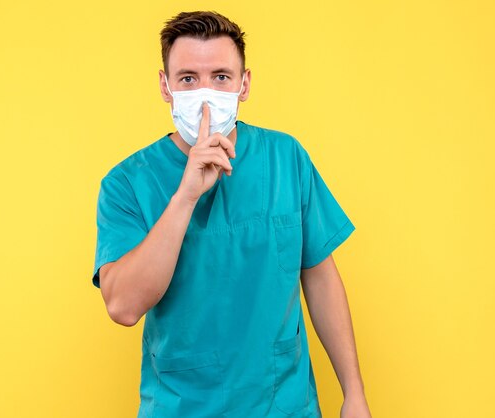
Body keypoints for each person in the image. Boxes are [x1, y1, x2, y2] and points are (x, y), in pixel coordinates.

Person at [91, 10, 372, 418]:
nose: (205, 92)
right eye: (188, 78)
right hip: (183, 407)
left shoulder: (285, 158)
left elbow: (320, 276)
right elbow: (123, 307)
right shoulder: (126, 184)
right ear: (165, 86)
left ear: (244, 85)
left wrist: (354, 393)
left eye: (221, 77)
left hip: (284, 405)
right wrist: (185, 196)